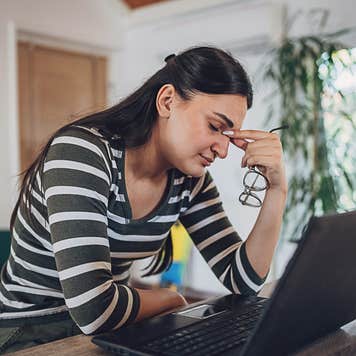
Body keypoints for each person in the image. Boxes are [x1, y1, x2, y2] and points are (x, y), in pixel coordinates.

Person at [0, 46, 287, 353]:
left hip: (110, 328)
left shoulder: (189, 181)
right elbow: (93, 309)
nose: (223, 149)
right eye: (215, 127)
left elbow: (244, 282)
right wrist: (172, 299)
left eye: (229, 135)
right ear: (167, 101)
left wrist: (277, 188)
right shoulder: (82, 153)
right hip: (29, 329)